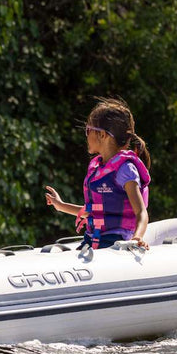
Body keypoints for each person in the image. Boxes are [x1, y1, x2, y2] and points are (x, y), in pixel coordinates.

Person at [45, 98, 151, 249]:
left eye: (88, 130)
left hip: (115, 241)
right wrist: (60, 205)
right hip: (93, 238)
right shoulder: (98, 168)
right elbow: (94, 212)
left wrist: (137, 238)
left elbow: (141, 212)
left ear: (103, 135)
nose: (86, 135)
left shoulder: (125, 170)